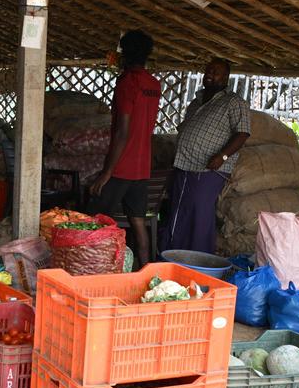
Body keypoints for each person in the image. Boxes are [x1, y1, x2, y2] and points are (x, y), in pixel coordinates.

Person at [160, 58, 250, 254]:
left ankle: (198, 259)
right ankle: (172, 254)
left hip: (208, 169)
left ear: (226, 78)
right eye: (208, 70)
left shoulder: (233, 102)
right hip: (184, 166)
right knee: (177, 210)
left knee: (199, 213)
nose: (210, 74)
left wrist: (223, 156)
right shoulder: (197, 101)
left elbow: (242, 133)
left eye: (216, 72)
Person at [88, 30, 161, 265]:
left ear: (124, 54)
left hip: (121, 166)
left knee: (95, 219)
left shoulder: (127, 83)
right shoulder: (153, 84)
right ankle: (147, 269)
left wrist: (106, 172)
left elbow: (122, 131)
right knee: (138, 221)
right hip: (142, 166)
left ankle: (93, 264)